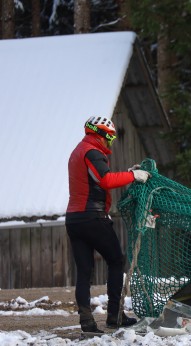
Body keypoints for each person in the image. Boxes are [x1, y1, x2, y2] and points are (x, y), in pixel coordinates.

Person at [65, 116, 151, 333]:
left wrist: (128, 174)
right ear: (100, 135)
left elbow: (99, 178)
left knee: (84, 270)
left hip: (74, 219)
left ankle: (87, 321)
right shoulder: (92, 152)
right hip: (92, 216)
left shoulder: (78, 151)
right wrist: (133, 176)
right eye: (110, 138)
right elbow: (106, 180)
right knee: (115, 260)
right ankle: (115, 315)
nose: (110, 143)